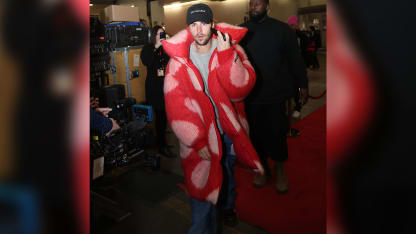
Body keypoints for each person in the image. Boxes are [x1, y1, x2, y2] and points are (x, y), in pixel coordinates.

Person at [161, 3, 264, 233]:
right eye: (193, 24)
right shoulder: (178, 61)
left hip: (228, 132)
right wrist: (197, 140)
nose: (199, 30)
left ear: (213, 24)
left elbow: (242, 90)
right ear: (188, 27)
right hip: (199, 142)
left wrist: (227, 58)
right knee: (201, 195)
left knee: (227, 175)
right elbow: (177, 107)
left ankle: (227, 207)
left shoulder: (231, 49)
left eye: (204, 23)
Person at [240, 0, 308, 193]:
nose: (253, 7)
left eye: (258, 4)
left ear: (267, 6)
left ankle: (279, 169)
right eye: (251, 4)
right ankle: (262, 169)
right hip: (251, 95)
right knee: (255, 135)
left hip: (276, 94)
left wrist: (303, 84)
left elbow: (295, 59)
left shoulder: (282, 30)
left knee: (277, 133)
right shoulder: (242, 31)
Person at [141, 25, 176, 158]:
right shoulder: (148, 48)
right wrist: (156, 46)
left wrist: (169, 43)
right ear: (153, 36)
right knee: (159, 117)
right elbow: (147, 62)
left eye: (163, 34)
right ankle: (161, 146)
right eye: (158, 34)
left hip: (165, 86)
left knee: (163, 117)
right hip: (154, 88)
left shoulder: (165, 48)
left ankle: (161, 142)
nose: (161, 36)